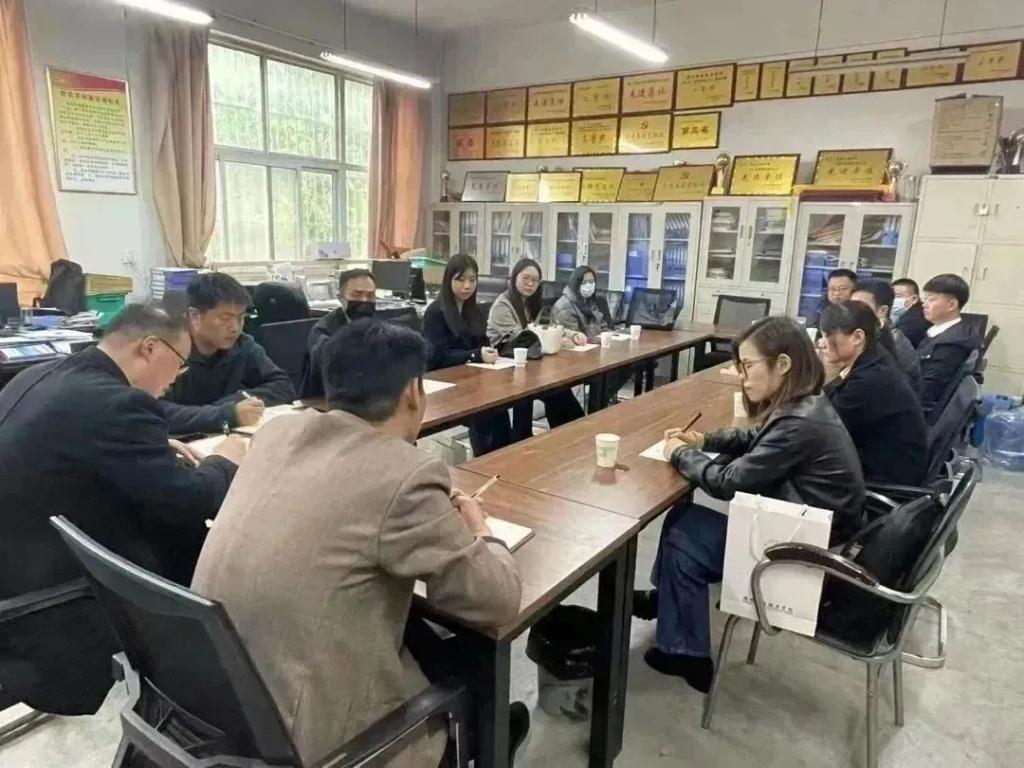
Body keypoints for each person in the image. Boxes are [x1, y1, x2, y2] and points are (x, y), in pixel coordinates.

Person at [192, 319, 527, 768]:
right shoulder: (406, 474)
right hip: (312, 735)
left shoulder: (275, 434)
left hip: (222, 698)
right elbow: (496, 601)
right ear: (413, 392)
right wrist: (482, 530)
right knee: (472, 654)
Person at [0, 304, 246, 715]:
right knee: (201, 543)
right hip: (54, 593)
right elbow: (188, 500)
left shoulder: (42, 374)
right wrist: (225, 460)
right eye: (179, 364)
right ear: (150, 348)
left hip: (17, 556)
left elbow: (72, 443)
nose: (176, 378)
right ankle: (217, 696)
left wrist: (150, 446)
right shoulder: (116, 404)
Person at [634, 317, 864, 693]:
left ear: (783, 364)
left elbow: (727, 482)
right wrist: (703, 440)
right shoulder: (805, 405)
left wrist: (679, 454)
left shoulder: (799, 423)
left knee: (683, 534)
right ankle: (668, 605)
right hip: (811, 531)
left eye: (748, 366)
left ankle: (687, 655)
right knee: (683, 515)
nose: (743, 377)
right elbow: (756, 437)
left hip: (801, 553)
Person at [162, 273, 295, 434]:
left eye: (240, 318)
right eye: (225, 318)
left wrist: (235, 403)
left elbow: (282, 386)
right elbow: (156, 411)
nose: (235, 328)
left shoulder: (242, 345)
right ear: (195, 317)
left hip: (226, 435)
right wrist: (225, 414)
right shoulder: (168, 350)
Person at [819, 301, 927, 486]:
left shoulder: (869, 380)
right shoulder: (874, 359)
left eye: (828, 335)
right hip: (881, 464)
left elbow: (820, 425)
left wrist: (827, 372)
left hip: (884, 480)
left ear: (857, 337)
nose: (822, 343)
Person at [422, 254, 512, 455]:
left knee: (500, 404)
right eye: (460, 280)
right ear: (449, 280)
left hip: (472, 379)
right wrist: (475, 355)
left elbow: (482, 343)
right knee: (485, 410)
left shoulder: (475, 310)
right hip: (444, 385)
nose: (467, 286)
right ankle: (485, 460)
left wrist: (488, 351)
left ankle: (504, 457)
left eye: (472, 280)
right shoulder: (435, 312)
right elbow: (438, 357)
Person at [488, 258, 586, 437]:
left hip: (530, 366)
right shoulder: (502, 305)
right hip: (504, 369)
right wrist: (555, 341)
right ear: (514, 278)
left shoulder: (531, 304)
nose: (530, 284)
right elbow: (522, 339)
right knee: (551, 390)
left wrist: (572, 335)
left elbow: (550, 326)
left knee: (559, 391)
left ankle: (573, 437)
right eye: (525, 278)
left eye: (535, 280)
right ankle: (526, 438)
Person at [552, 265, 634, 409]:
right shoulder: (564, 305)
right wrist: (598, 338)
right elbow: (574, 337)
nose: (589, 285)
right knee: (606, 374)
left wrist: (611, 334)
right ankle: (596, 406)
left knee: (628, 364)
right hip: (573, 360)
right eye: (584, 282)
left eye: (591, 282)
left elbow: (602, 326)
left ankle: (599, 402)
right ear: (576, 283)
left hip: (594, 353)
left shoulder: (590, 301)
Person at [304, 268, 378, 397]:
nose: (365, 300)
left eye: (370, 296)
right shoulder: (323, 331)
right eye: (357, 295)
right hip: (328, 400)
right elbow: (334, 368)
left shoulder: (381, 326)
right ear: (340, 298)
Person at [918, 273, 980, 423]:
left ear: (951, 305)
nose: (924, 304)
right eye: (925, 299)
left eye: (931, 299)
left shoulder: (951, 345)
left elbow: (928, 391)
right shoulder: (951, 332)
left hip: (920, 415)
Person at [851, 278, 922, 393]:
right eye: (851, 305)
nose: (852, 311)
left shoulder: (896, 342)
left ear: (882, 310)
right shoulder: (861, 333)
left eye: (861, 306)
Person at [892, 277, 931, 348]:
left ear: (914, 299)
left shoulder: (911, 321)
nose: (894, 300)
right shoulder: (916, 313)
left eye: (898, 296)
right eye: (892, 296)